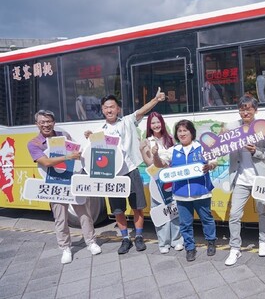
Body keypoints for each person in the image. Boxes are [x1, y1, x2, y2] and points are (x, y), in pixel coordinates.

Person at [84, 88, 166, 255]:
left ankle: (139, 237)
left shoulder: (127, 121)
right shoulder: (100, 132)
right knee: (118, 210)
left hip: (131, 170)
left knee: (137, 207)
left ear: (118, 109)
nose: (109, 110)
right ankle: (125, 239)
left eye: (112, 106)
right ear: (102, 110)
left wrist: (156, 99)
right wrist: (90, 137)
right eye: (106, 107)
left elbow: (143, 110)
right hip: (112, 176)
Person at [27, 110, 101, 264]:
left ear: (54, 122)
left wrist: (80, 151)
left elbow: (76, 152)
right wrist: (68, 156)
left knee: (84, 213)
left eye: (49, 121)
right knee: (60, 218)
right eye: (42, 122)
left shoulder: (64, 136)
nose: (46, 124)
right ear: (37, 124)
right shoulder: (33, 143)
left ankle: (91, 242)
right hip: (55, 183)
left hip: (72, 179)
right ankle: (65, 248)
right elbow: (46, 162)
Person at [153, 119, 217, 262]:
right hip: (181, 194)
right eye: (179, 131)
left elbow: (214, 161)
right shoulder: (173, 150)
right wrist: (156, 155)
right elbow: (160, 164)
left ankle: (211, 242)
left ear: (191, 132)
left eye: (185, 131)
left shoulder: (201, 147)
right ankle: (190, 247)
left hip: (202, 192)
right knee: (185, 224)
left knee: (206, 219)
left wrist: (210, 166)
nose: (182, 134)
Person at [224, 95, 265, 266]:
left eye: (248, 108)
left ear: (255, 110)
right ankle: (234, 249)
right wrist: (220, 138)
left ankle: (263, 242)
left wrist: (256, 151)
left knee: (263, 211)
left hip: (260, 178)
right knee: (234, 214)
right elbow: (220, 147)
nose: (245, 111)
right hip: (240, 179)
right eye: (242, 108)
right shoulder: (232, 128)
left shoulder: (264, 128)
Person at [140, 111, 184, 254]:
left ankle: (177, 240)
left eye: (158, 121)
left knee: (174, 209)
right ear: (149, 125)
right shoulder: (146, 141)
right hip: (156, 182)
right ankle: (163, 243)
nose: (156, 125)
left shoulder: (170, 138)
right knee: (160, 211)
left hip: (172, 179)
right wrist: (151, 153)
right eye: (153, 123)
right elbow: (148, 164)